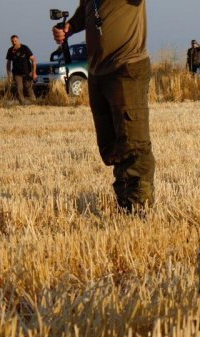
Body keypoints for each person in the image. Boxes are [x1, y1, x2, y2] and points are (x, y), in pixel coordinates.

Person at [52, 0, 155, 214]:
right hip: (98, 72)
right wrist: (69, 27)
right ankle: (124, 202)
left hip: (126, 66)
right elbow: (86, 11)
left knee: (133, 141)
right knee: (112, 144)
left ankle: (139, 207)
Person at [5, 35, 37, 104]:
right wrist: (9, 75)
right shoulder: (10, 50)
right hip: (16, 73)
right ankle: (22, 103)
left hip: (27, 72)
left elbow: (33, 59)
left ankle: (34, 102)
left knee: (28, 87)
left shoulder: (25, 48)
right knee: (19, 88)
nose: (14, 43)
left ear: (19, 40)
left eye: (15, 41)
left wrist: (34, 72)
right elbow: (8, 64)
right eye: (12, 41)